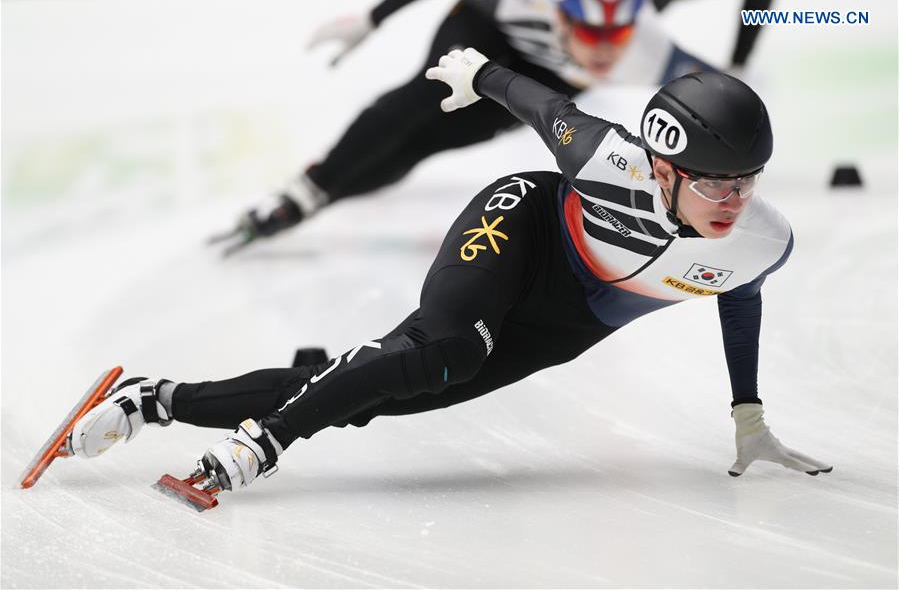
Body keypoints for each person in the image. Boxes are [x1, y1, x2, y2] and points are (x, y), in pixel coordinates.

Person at [68, 48, 831, 496]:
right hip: (521, 226)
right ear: (662, 167)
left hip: (567, 323)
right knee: (441, 350)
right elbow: (543, 104)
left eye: (747, 181)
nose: (733, 202)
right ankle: (256, 447)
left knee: (382, 390)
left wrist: (748, 414)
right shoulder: (605, 157)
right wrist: (477, 72)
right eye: (714, 183)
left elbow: (740, 298)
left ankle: (155, 400)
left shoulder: (760, 238)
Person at [212, 0, 719, 254]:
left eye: (619, 33)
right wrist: (373, 17)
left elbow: (718, 103)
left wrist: (744, 55)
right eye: (590, 30)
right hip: (485, 32)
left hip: (536, 74)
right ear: (562, 17)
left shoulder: (652, 55)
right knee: (426, 97)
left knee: (432, 140)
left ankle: (318, 195)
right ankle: (305, 190)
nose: (606, 47)